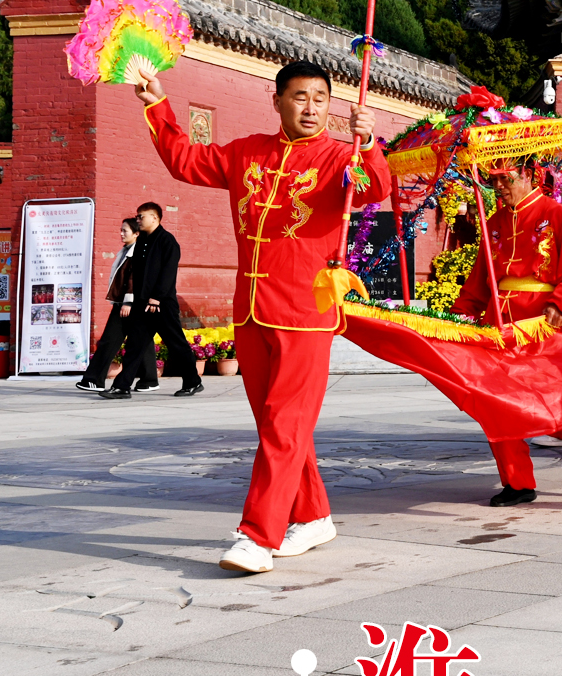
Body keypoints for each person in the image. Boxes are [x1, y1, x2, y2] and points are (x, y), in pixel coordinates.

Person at [133, 56, 389, 573]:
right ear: (277, 101)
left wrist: (368, 144)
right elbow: (186, 161)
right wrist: (156, 101)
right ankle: (312, 516)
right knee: (276, 423)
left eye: (321, 99)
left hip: (306, 309)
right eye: (300, 97)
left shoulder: (339, 156)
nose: (311, 108)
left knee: (284, 423)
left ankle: (257, 535)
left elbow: (374, 189)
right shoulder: (247, 151)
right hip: (250, 309)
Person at [450, 158, 562, 503]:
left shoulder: (556, 214)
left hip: (541, 321)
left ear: (527, 175)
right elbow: (482, 276)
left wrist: (561, 302)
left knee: (550, 397)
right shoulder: (494, 221)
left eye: (505, 179)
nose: (498, 187)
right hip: (499, 321)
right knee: (494, 401)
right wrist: (462, 313)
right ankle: (517, 481)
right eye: (493, 180)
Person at [107, 202, 201, 398]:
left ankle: (193, 382)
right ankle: (122, 386)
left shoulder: (167, 241)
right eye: (137, 216)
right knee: (135, 345)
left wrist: (156, 299)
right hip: (142, 304)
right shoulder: (142, 241)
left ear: (155, 218)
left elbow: (168, 273)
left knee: (176, 343)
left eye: (141, 216)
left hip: (161, 304)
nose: (138, 220)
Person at [76, 217, 139, 390]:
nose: (121, 233)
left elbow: (133, 279)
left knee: (109, 340)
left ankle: (94, 380)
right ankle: (149, 379)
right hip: (124, 303)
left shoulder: (135, 253)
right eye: (121, 230)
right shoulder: (126, 250)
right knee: (141, 341)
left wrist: (128, 302)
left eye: (125, 230)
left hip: (126, 304)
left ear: (136, 233)